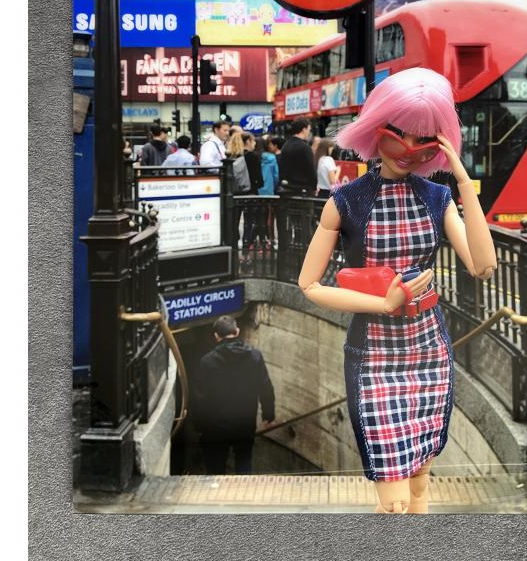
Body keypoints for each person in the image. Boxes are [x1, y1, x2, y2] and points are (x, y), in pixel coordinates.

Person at [298, 68, 497, 514]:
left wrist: (464, 181)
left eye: (425, 139)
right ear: (375, 130)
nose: (410, 150)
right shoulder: (347, 201)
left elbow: (483, 266)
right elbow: (309, 285)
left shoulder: (437, 197)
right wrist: (384, 303)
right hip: (375, 357)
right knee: (394, 502)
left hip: (428, 352)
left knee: (422, 485)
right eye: (398, 134)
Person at [195, 316, 275, 475]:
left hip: (215, 428)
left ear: (216, 336)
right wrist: (269, 415)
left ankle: (216, 497)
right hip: (244, 422)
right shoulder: (255, 356)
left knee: (215, 468)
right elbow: (265, 387)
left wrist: (198, 427)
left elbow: (200, 398)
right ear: (237, 331)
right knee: (244, 462)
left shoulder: (207, 361)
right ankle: (243, 494)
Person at [278, 119, 317, 195]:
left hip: (287, 189)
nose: (309, 133)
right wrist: (314, 187)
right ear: (304, 129)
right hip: (303, 191)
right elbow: (311, 169)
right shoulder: (305, 147)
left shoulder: (285, 146)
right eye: (309, 130)